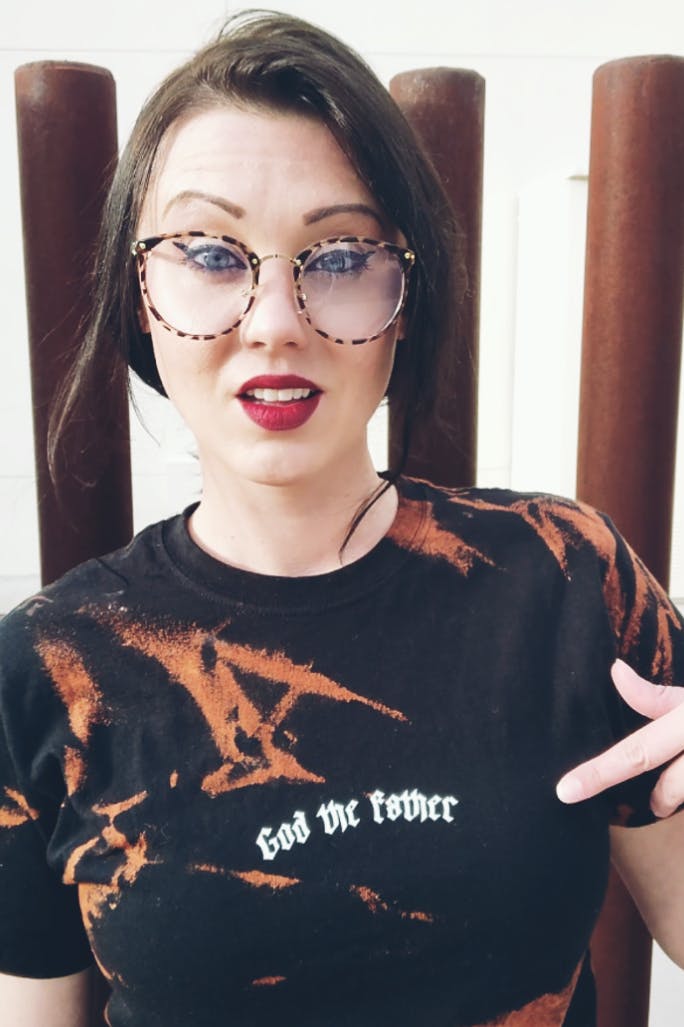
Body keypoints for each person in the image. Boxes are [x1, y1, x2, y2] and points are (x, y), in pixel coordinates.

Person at [1, 10, 683, 1027]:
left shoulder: (569, 578)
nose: (275, 322)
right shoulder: (47, 670)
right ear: (140, 292)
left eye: (339, 254)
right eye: (210, 252)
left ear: (406, 293)